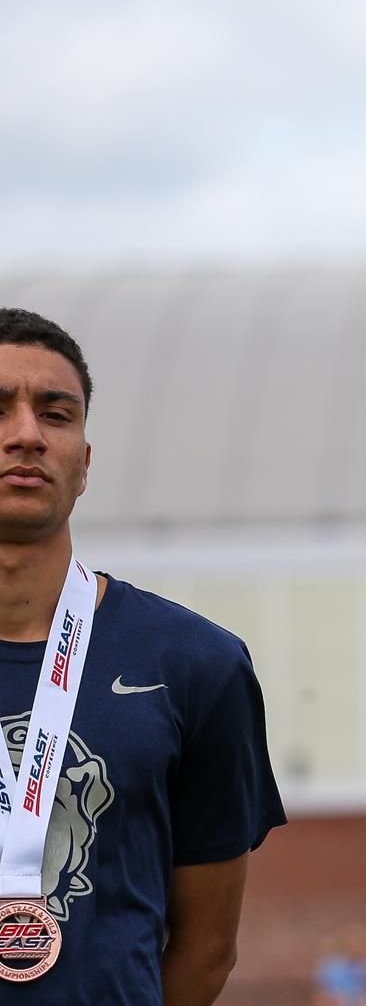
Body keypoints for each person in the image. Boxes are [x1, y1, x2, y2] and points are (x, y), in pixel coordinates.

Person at [0, 308, 286, 1001]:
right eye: (0, 408)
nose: (28, 434)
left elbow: (208, 948)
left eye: (56, 413)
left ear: (85, 463)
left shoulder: (195, 664)